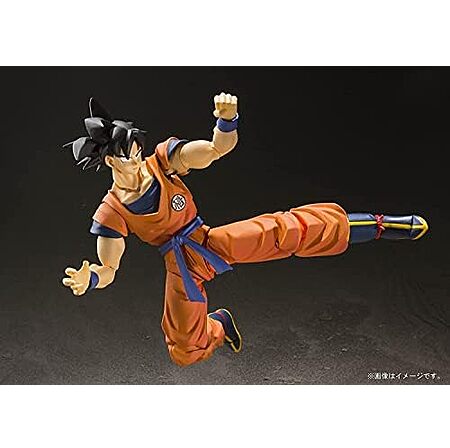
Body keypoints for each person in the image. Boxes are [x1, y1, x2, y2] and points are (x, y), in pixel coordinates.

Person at [62, 94, 429, 367]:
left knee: (282, 229)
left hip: (208, 241)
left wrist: (227, 120)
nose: (137, 160)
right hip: (181, 266)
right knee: (184, 349)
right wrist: (89, 278)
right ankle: (220, 325)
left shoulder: (162, 161)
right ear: (110, 161)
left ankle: (377, 225)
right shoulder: (111, 211)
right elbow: (109, 268)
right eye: (127, 156)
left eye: (137, 150)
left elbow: (216, 150)